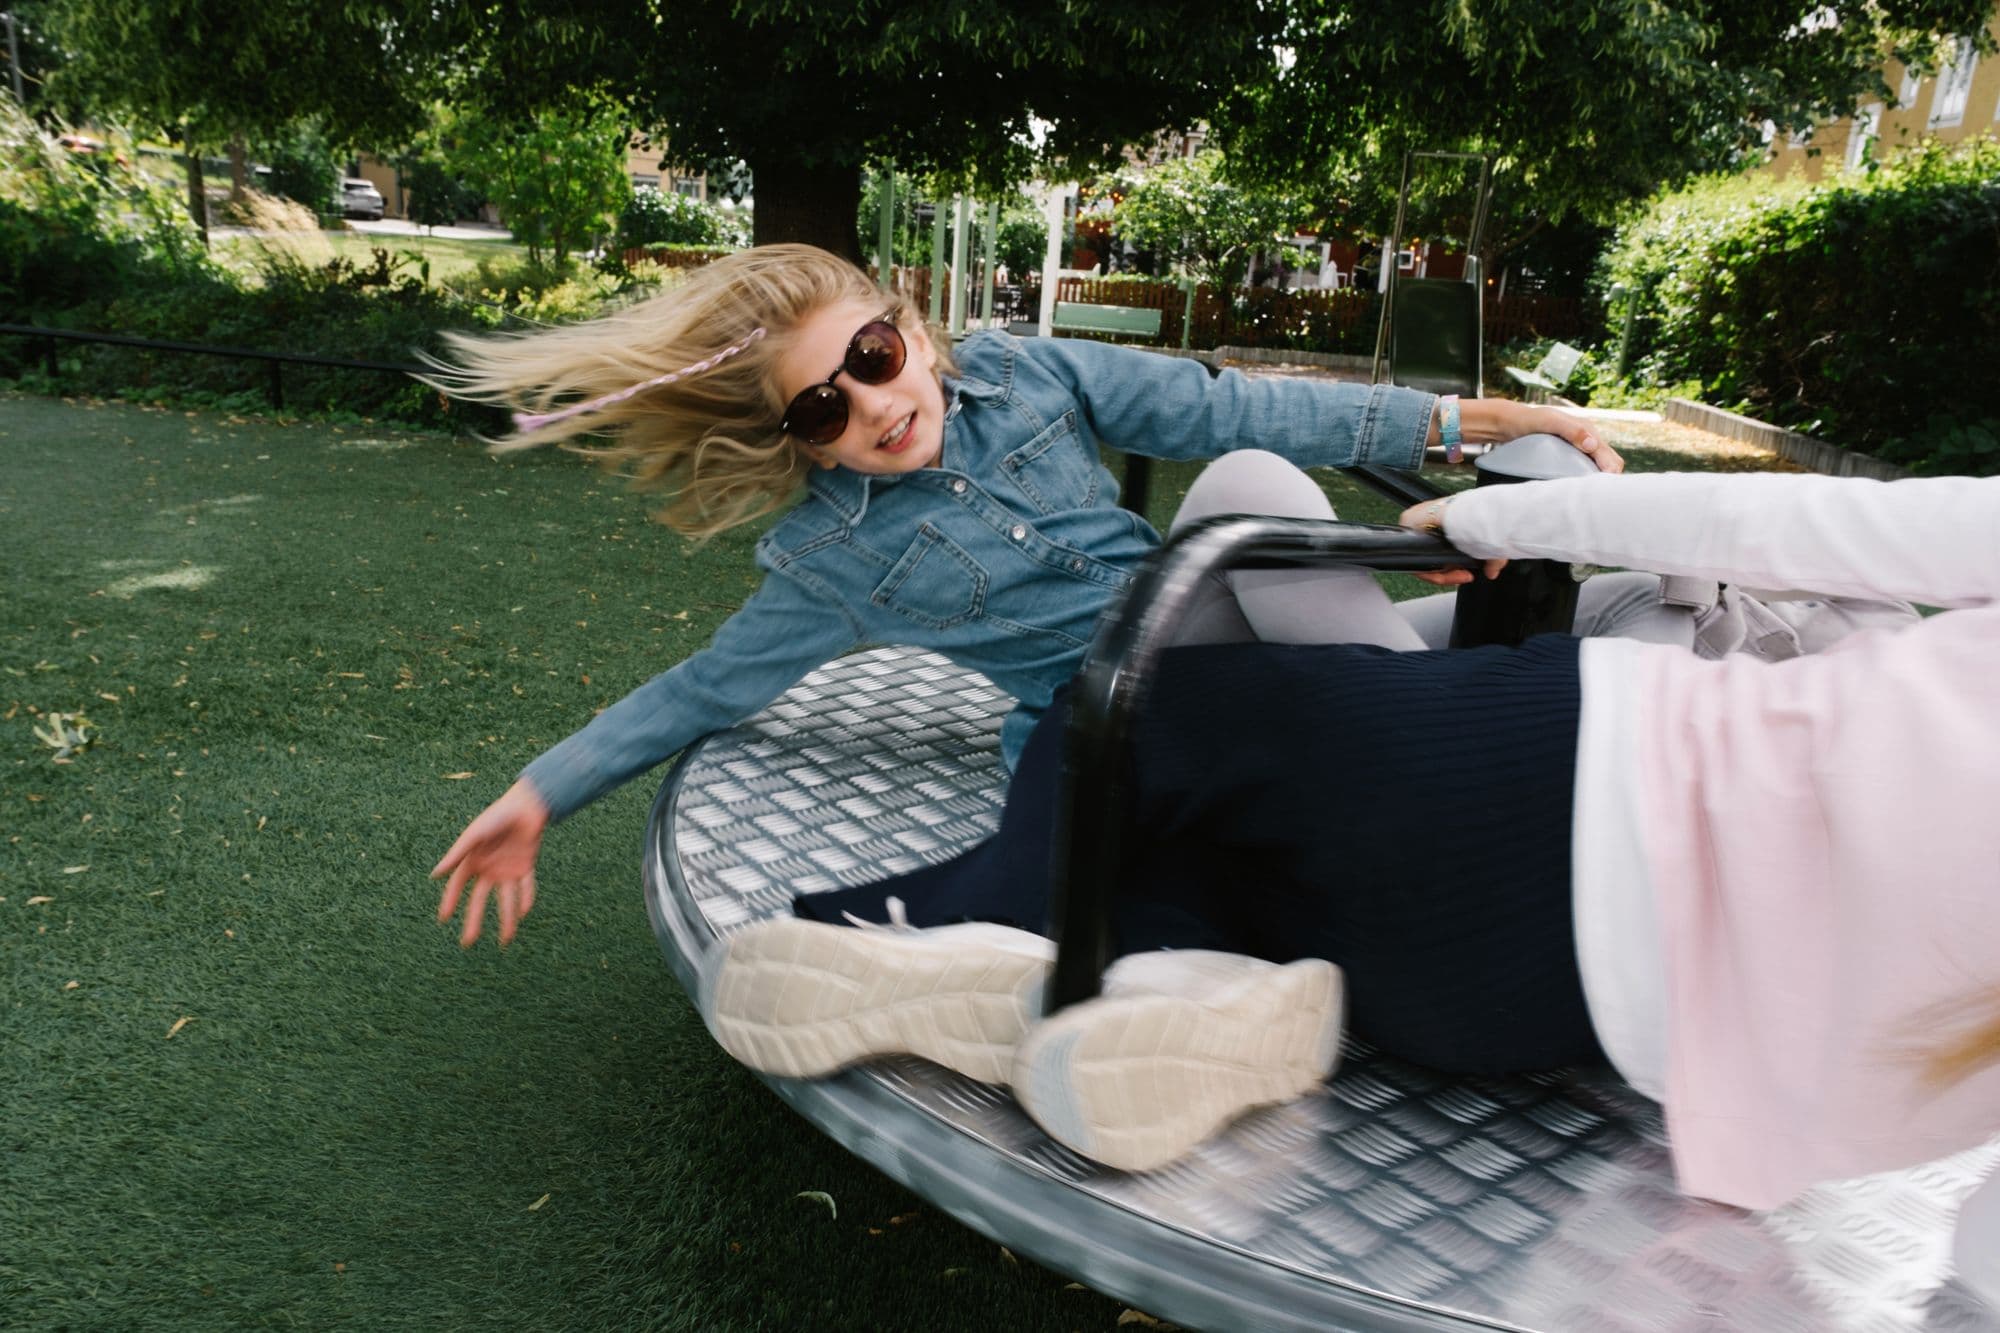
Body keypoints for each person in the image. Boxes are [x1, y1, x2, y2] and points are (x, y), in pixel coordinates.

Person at [697, 469, 1999, 1265]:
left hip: (1557, 774)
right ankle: (1182, 987)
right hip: (1526, 1019)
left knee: (1161, 714)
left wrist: (1501, 515)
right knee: (1259, 867)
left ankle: (929, 924)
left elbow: (1772, 523)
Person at [426, 243, 1622, 947]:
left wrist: (1468, 424)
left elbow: (1232, 410)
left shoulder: (1027, 373)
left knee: (1272, 485)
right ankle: (1473, 764)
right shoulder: (829, 560)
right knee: (1287, 540)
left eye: (874, 358)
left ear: (912, 328)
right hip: (1127, 719)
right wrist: (542, 792)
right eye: (821, 409)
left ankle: (1483, 729)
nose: (874, 407)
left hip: (1233, 638)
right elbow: (701, 688)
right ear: (802, 443)